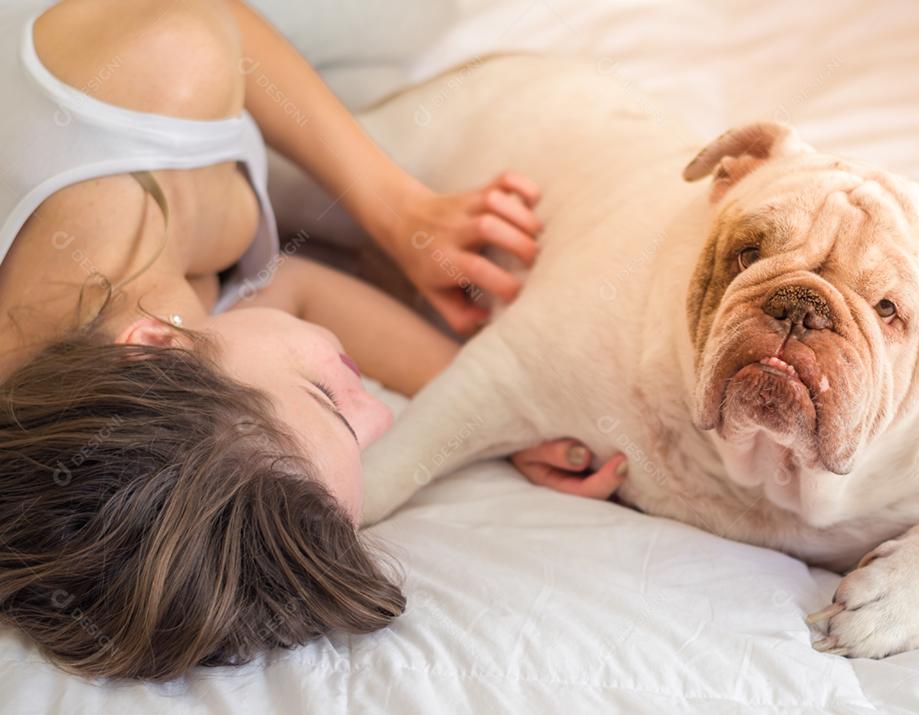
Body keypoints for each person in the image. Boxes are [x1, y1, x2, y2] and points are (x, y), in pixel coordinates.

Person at [0, 0, 626, 681]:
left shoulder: (164, 64)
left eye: (329, 399)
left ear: (157, 345)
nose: (380, 415)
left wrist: (400, 210)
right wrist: (499, 411)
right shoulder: (122, 388)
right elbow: (291, 288)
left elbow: (222, 26)